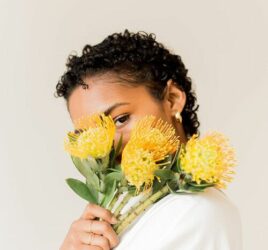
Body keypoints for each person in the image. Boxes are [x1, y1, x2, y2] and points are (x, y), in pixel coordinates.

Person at [55, 29, 242, 250]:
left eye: (120, 119)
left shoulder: (198, 213)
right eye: (90, 135)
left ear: (172, 99)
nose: (106, 148)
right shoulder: (127, 210)